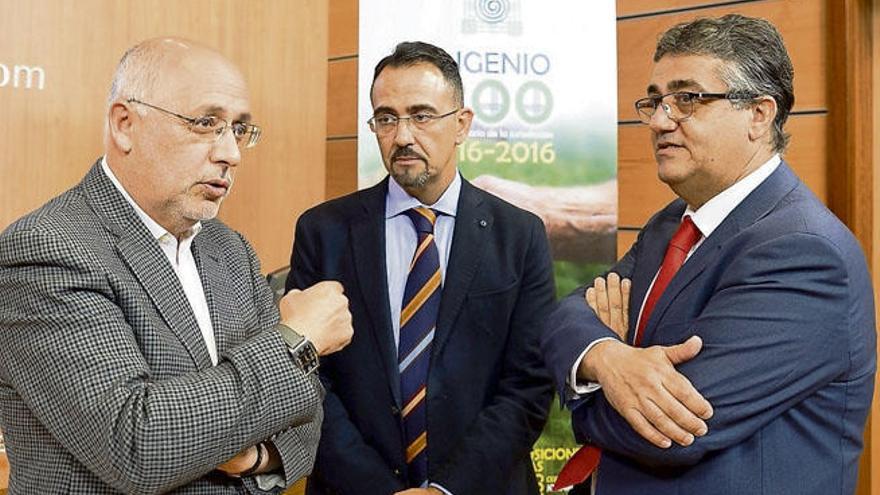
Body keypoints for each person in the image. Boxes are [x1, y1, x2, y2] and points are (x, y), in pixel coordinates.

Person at [0, 38, 353, 493]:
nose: (231, 153)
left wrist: (255, 458)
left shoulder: (231, 250)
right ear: (125, 124)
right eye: (206, 123)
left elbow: (306, 412)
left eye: (239, 129)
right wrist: (294, 340)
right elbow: (138, 443)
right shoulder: (47, 248)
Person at [542, 14, 876, 495]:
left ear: (759, 115)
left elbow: (672, 433)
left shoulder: (804, 252)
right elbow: (567, 316)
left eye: (687, 99)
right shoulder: (669, 224)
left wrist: (586, 391)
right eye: (655, 100)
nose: (659, 120)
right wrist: (608, 357)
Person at [286, 41, 555, 495]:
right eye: (386, 118)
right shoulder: (323, 231)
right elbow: (307, 378)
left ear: (462, 125)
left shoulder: (520, 235)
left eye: (422, 115)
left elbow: (528, 385)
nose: (403, 135)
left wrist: (446, 490)